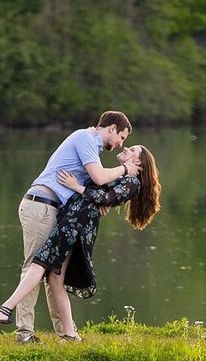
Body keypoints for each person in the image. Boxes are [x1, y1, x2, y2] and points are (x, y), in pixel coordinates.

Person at [0, 144, 161, 341]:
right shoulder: (120, 175)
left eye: (132, 150)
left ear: (139, 162)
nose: (125, 148)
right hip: (71, 221)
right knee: (55, 278)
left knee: (41, 263)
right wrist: (96, 200)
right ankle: (69, 335)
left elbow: (106, 197)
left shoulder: (132, 182)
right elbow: (100, 195)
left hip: (76, 224)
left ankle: (5, 309)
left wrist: (78, 187)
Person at [9, 110, 132, 344]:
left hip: (54, 209)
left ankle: (65, 333)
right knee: (33, 268)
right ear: (112, 128)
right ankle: (24, 334)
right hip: (41, 205)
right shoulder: (85, 138)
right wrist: (126, 170)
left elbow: (92, 188)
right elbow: (98, 177)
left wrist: (100, 202)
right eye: (122, 138)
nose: (119, 144)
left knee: (53, 272)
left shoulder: (93, 149)